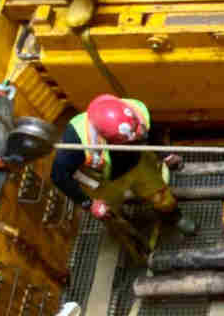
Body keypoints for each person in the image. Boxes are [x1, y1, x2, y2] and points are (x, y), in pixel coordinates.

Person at [50, 94, 193, 235]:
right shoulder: (76, 141)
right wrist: (88, 203)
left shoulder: (132, 112)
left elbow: (151, 132)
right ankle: (127, 231)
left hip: (138, 164)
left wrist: (166, 155)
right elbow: (58, 175)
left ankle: (174, 217)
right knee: (110, 213)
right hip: (105, 181)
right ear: (107, 139)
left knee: (161, 197)